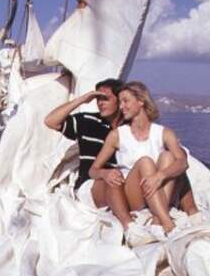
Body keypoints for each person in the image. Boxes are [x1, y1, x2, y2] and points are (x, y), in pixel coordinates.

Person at [89, 81, 200, 240]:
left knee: (168, 157)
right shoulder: (117, 135)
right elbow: (93, 170)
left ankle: (157, 221)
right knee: (145, 162)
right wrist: (104, 173)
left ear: (141, 101)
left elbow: (183, 163)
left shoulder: (164, 133)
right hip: (133, 194)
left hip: (158, 190)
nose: (121, 107)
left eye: (126, 101)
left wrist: (160, 175)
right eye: (120, 102)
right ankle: (168, 224)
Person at [44, 79, 139, 234]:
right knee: (112, 181)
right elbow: (50, 121)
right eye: (97, 98)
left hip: (122, 181)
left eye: (105, 98)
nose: (100, 103)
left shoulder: (129, 129)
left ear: (120, 101)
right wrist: (82, 99)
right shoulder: (87, 121)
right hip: (90, 185)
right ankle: (131, 229)